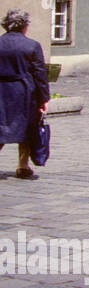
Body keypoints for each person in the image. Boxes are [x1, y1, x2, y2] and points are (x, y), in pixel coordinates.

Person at [0, 10, 49, 180]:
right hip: (24, 92)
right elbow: (40, 74)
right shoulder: (32, 45)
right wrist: (43, 99)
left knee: (1, 127)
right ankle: (22, 166)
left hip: (1, 91)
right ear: (24, 25)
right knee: (27, 129)